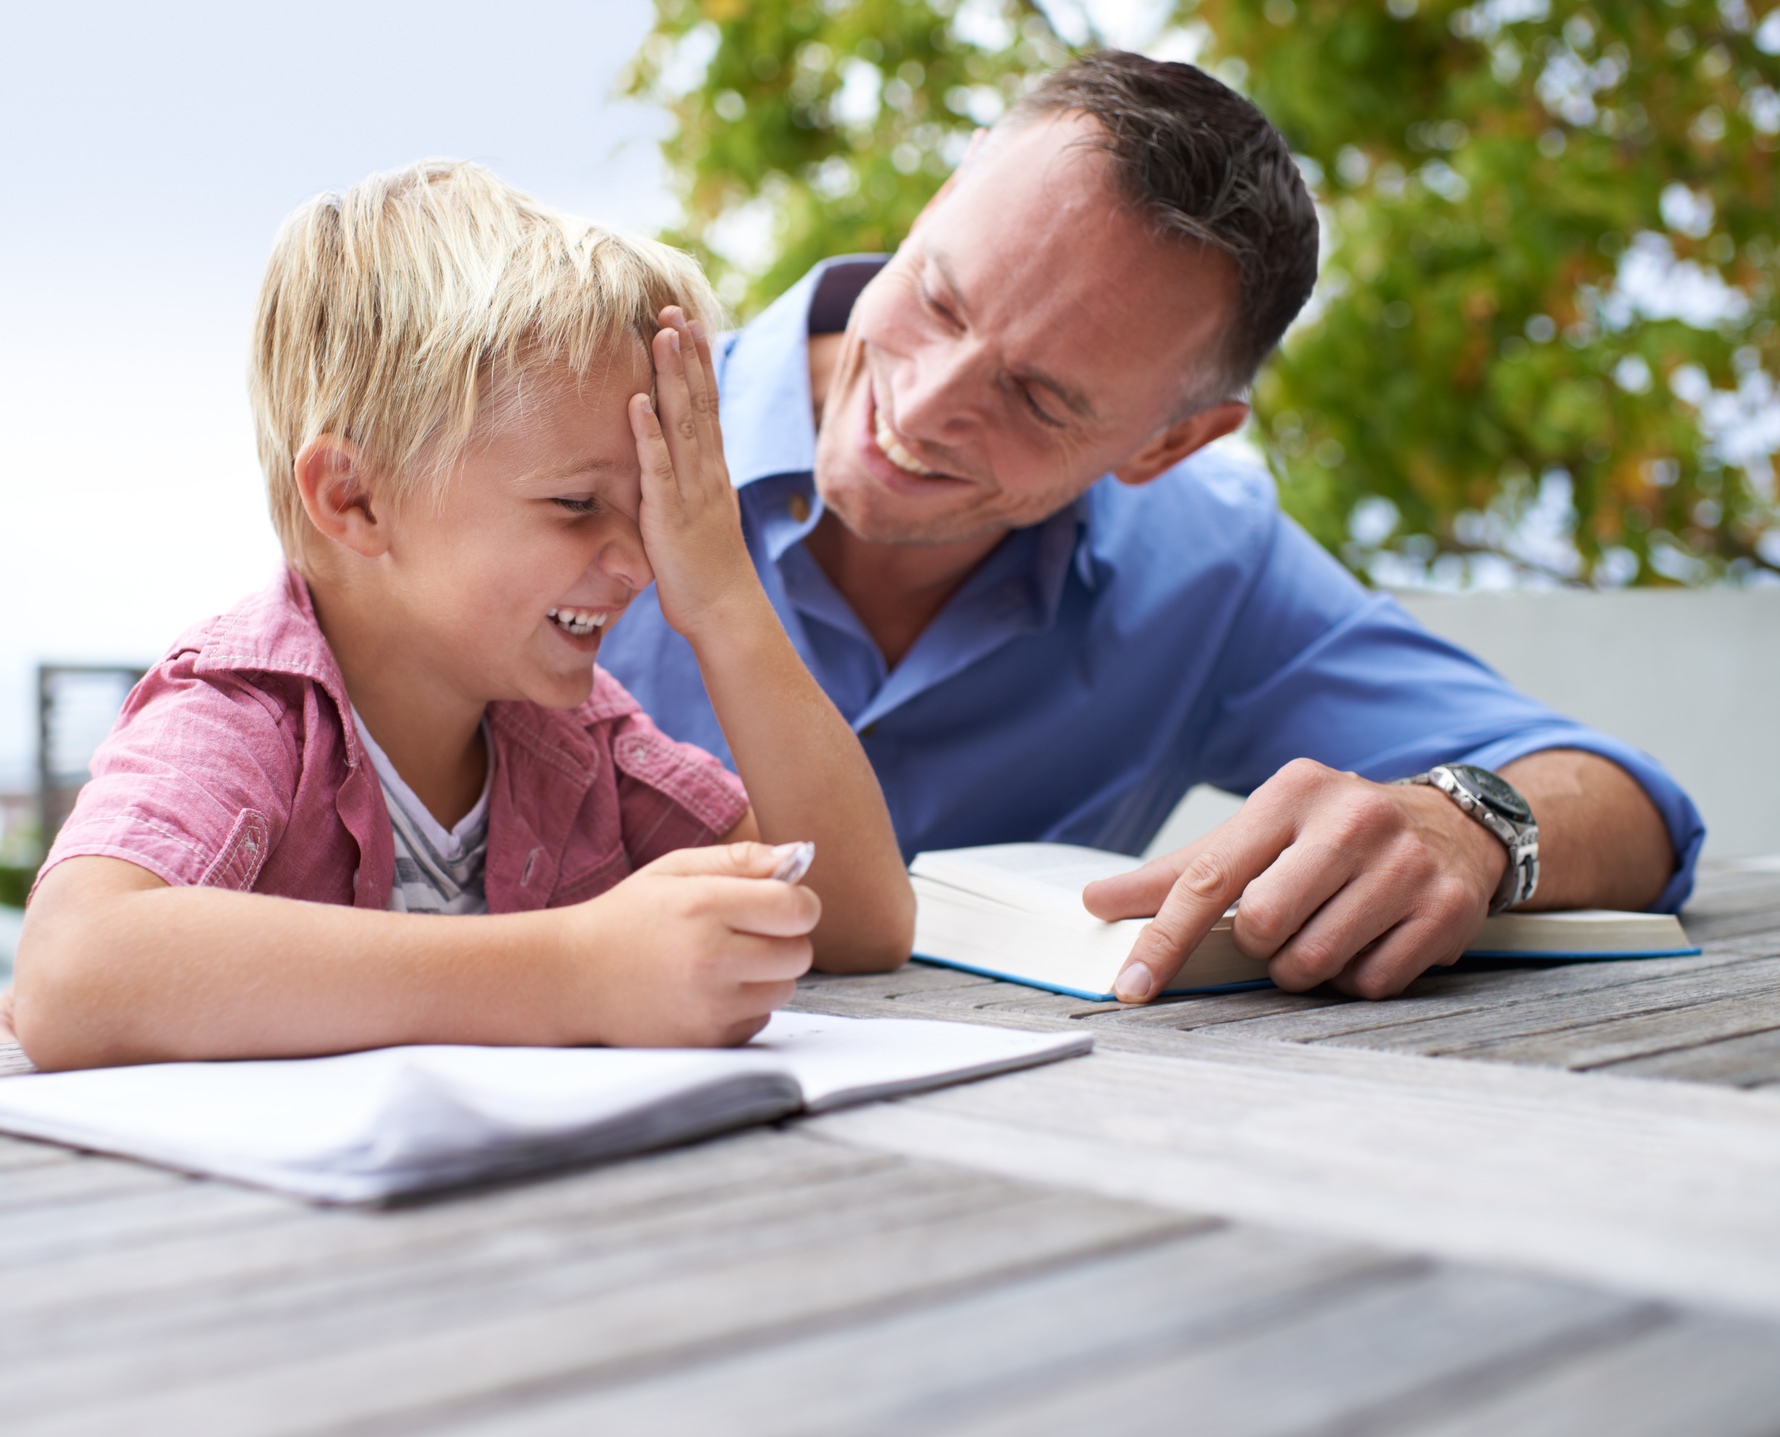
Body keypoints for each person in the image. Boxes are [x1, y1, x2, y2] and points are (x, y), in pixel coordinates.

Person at [599, 50, 1703, 1005]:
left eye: (1039, 398)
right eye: (938, 298)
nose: (924, 405)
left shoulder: (1211, 568)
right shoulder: (576, 438)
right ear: (936, 203)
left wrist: (1462, 824)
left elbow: (1629, 805)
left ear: (1169, 443)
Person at [0, 160, 912, 1067]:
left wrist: (726, 597)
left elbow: (856, 921)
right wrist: (574, 970)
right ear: (355, 500)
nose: (640, 562)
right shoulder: (248, 716)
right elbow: (77, 964)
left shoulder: (581, 742)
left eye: (653, 511)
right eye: (576, 503)